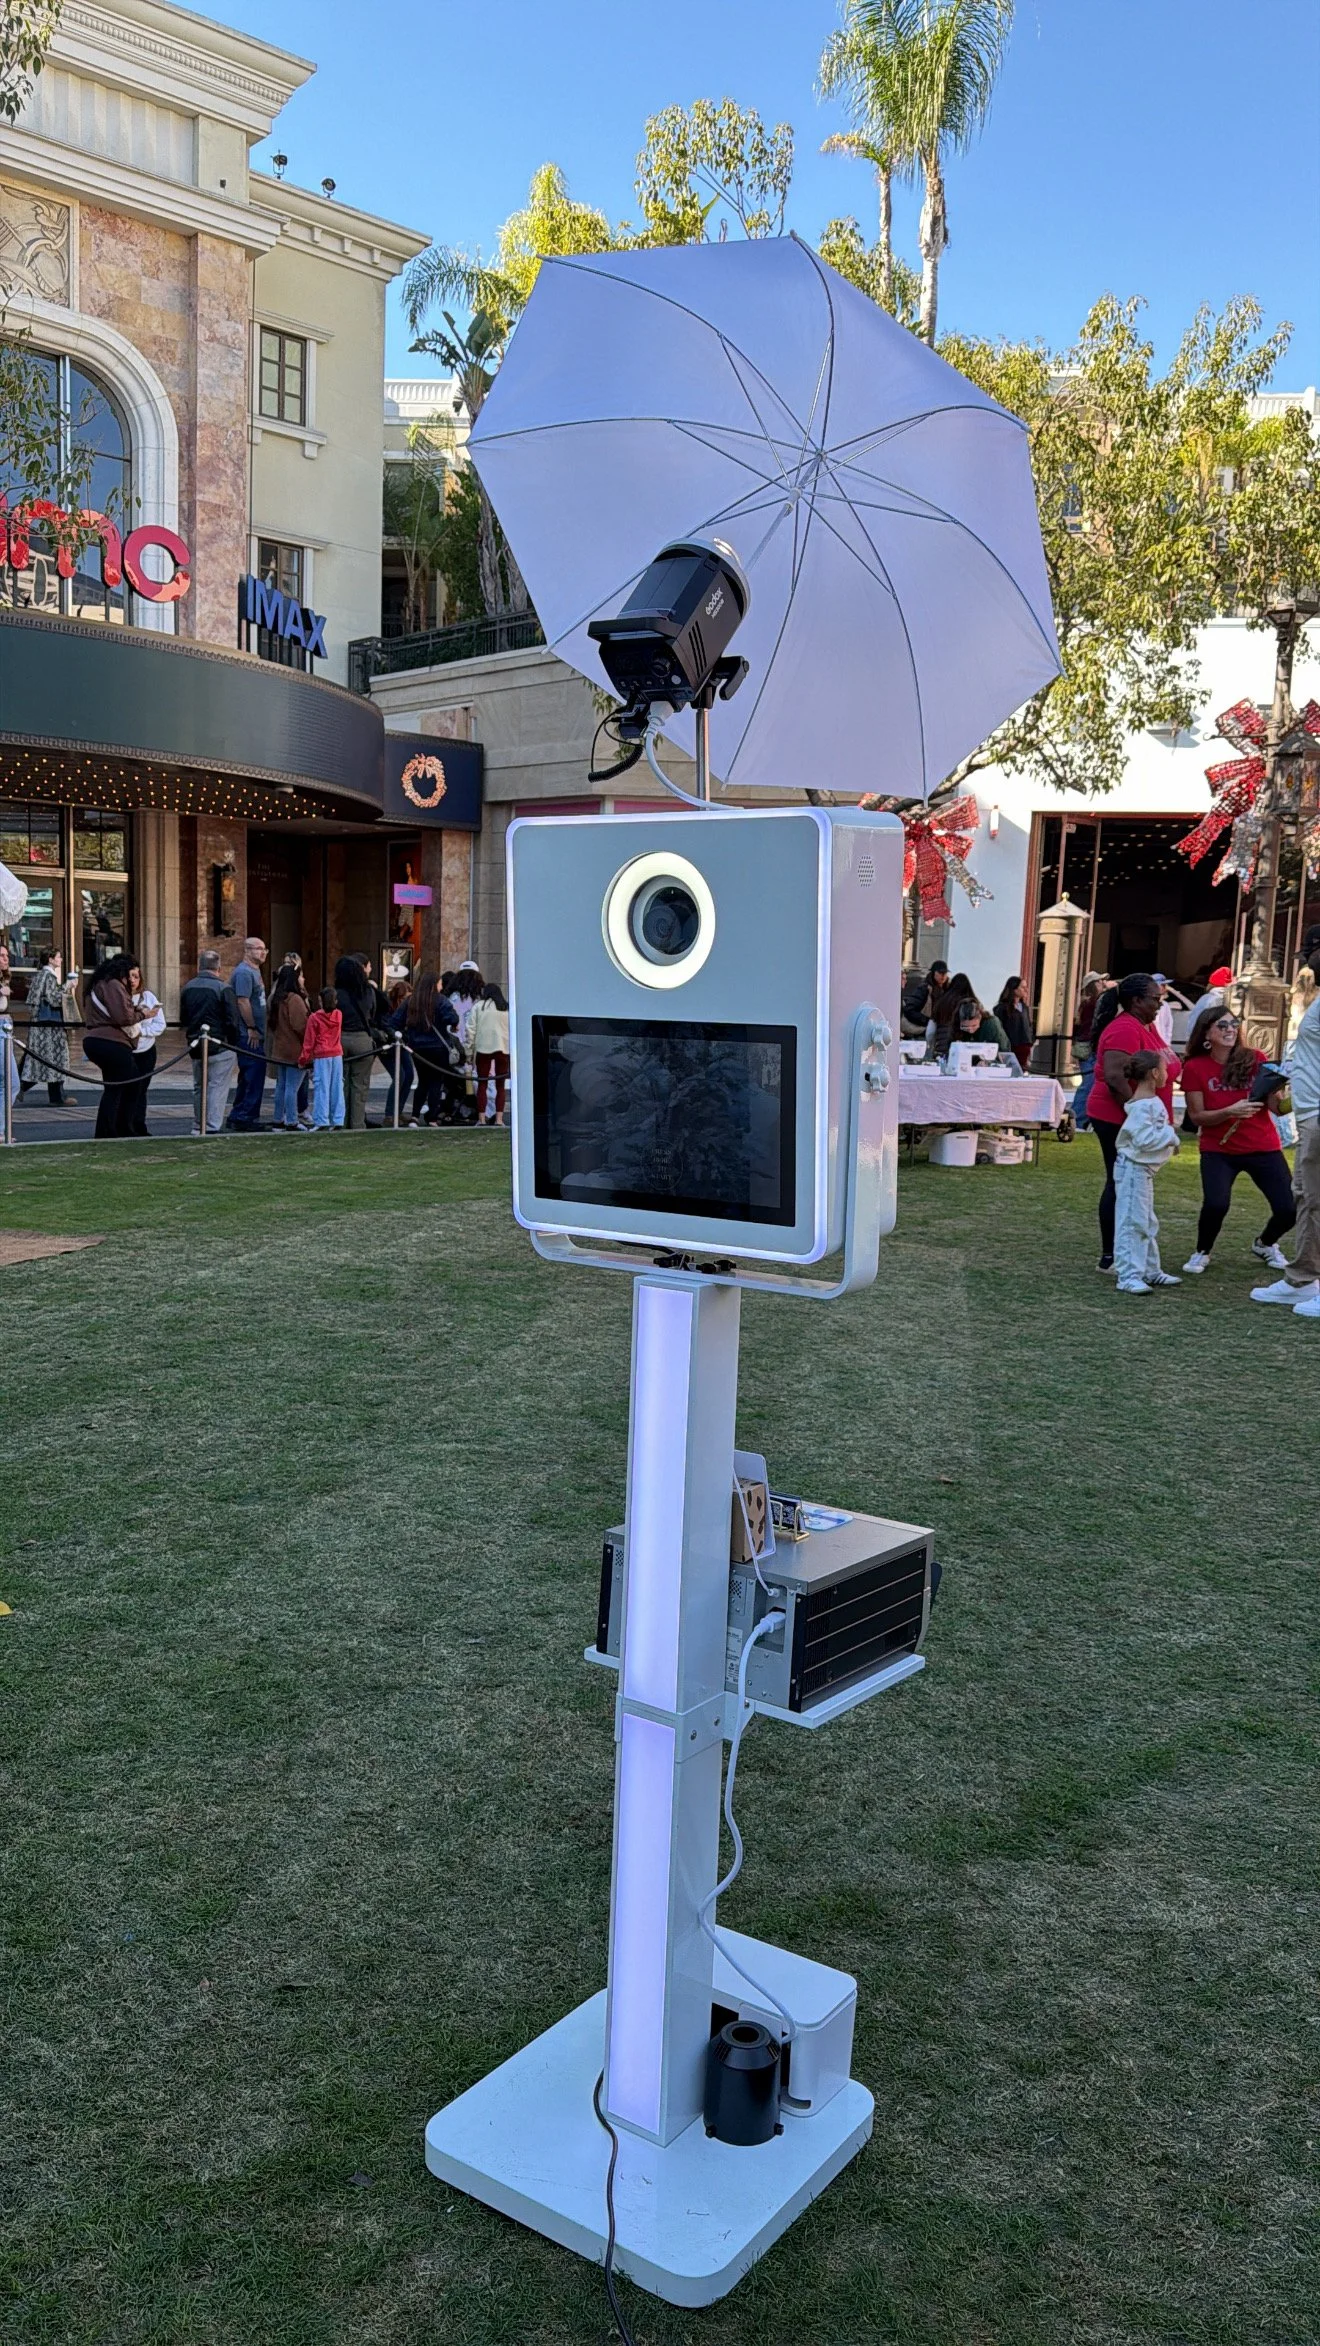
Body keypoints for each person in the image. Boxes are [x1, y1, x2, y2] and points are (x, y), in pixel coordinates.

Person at [1179, 1003, 1295, 1276]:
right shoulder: (1195, 1067)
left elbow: (1277, 1108)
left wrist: (1301, 1092)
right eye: (1222, 1025)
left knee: (1289, 1208)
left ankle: (1265, 1244)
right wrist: (1229, 1112)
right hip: (1218, 1149)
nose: (1230, 1029)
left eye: (1233, 1024)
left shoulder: (1255, 1058)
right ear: (1206, 1033)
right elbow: (1197, 1117)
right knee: (1216, 1204)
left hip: (1263, 1146)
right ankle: (1202, 1251)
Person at [1085, 973, 1179, 1272]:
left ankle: (1129, 1253)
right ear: (1136, 1000)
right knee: (1121, 1182)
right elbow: (1114, 1076)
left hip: (1133, 1117)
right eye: (1155, 998)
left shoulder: (1145, 1025)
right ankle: (1113, 1256)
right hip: (1117, 1118)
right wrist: (1138, 1113)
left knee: (1131, 1184)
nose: (1159, 1003)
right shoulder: (1125, 1029)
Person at [1252, 943, 1320, 1317]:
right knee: (1309, 1197)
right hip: (1311, 1114)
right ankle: (1302, 1279)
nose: (1306, 965)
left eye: (1311, 954)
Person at [1113, 1049, 1182, 1292]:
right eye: (1164, 1069)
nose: (1166, 1074)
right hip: (1134, 1170)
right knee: (1133, 1222)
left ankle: (1150, 1270)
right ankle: (1128, 1275)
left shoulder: (1149, 1103)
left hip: (1142, 1172)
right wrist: (1170, 1136)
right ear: (1154, 1073)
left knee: (1145, 1221)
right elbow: (1144, 1140)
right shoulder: (1143, 1107)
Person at [181, 950, 241, 1134]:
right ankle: (212, 1125)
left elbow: (184, 1018)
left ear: (200, 966)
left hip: (196, 1043)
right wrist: (234, 1042)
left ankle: (198, 1124)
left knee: (199, 1086)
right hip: (220, 1044)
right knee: (217, 1086)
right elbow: (232, 1020)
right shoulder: (224, 988)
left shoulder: (187, 987)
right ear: (219, 968)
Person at [82, 951, 141, 1138]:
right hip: (112, 1042)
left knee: (122, 1085)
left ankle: (113, 1128)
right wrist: (143, 1014)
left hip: (97, 1040)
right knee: (120, 1087)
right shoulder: (113, 985)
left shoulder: (97, 985)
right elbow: (124, 1017)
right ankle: (110, 1130)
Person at [18, 947, 79, 1105]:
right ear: (51, 959)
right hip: (50, 1026)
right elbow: (53, 998)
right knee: (55, 1058)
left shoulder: (40, 975)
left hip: (40, 1025)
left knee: (39, 1059)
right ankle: (55, 1096)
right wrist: (68, 986)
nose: (61, 960)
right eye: (58, 957)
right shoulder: (49, 976)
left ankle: (22, 1087)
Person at [406, 969, 462, 1125]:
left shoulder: (412, 1000)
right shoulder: (441, 1000)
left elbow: (396, 1020)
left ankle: (414, 1116)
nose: (442, 986)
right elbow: (451, 1017)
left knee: (422, 1081)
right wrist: (454, 1024)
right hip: (438, 1046)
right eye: (439, 983)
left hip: (417, 1047)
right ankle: (432, 1117)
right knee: (436, 1082)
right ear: (435, 984)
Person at [227, 937, 268, 1130]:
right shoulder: (244, 973)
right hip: (248, 1035)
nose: (263, 952)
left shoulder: (255, 971)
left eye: (264, 949)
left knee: (250, 1075)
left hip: (255, 1032)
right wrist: (251, 1027)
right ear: (247, 950)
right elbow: (242, 1001)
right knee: (253, 1074)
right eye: (259, 949)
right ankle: (246, 1116)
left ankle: (240, 1114)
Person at [334, 952, 378, 1131]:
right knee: (360, 1085)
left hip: (341, 1038)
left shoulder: (337, 993)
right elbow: (373, 1014)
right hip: (362, 1039)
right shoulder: (368, 992)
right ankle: (358, 1124)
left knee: (341, 1084)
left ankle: (341, 1122)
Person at [266, 959, 310, 1130]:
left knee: (281, 1086)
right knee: (292, 1087)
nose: (302, 980)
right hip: (294, 1050)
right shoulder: (294, 999)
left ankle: (278, 1118)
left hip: (280, 1049)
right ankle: (291, 1120)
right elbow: (301, 1026)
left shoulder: (276, 998)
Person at [125, 959, 165, 1136]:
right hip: (126, 1050)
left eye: (136, 976)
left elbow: (159, 1024)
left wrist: (141, 1030)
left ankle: (139, 1125)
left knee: (141, 1090)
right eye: (129, 976)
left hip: (146, 1050)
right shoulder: (119, 996)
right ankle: (124, 1125)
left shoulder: (148, 997)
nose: (133, 980)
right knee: (127, 1090)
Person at [300, 986, 345, 1129]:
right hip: (336, 1054)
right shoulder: (338, 1015)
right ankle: (338, 1119)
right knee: (337, 1087)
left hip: (322, 1055)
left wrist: (303, 1059)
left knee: (322, 1088)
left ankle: (321, 1120)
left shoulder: (314, 1018)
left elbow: (309, 1041)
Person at [1071, 970, 1108, 1130]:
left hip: (1086, 1046)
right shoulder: (1095, 1003)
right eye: (1100, 981)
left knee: (1089, 1083)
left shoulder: (1086, 1003)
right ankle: (1078, 1119)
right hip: (1090, 1047)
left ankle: (1080, 1118)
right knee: (1088, 1083)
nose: (1103, 983)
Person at [471, 980, 510, 1125]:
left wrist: (469, 1052)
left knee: (482, 1083)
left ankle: (482, 1118)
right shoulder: (505, 1008)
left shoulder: (479, 1007)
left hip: (483, 1048)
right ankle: (499, 1118)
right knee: (501, 1085)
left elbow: (471, 1030)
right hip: (503, 1048)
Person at [381, 979, 415, 1124]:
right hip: (390, 1045)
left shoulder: (407, 1010)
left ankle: (398, 1111)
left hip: (402, 1044)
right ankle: (390, 1114)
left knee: (409, 1075)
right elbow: (387, 1025)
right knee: (400, 1075)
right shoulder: (388, 1009)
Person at [947, 995, 1012, 1056]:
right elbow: (950, 1049)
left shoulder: (992, 1024)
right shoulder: (956, 1027)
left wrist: (988, 1062)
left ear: (980, 1017)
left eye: (974, 1025)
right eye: (965, 1027)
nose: (970, 1031)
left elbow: (1004, 1049)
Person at [994, 975, 1034, 1068]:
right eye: (1022, 987)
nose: (1026, 990)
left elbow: (1029, 1025)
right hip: (1010, 1047)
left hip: (1025, 1046)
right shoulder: (1002, 1008)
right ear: (1014, 989)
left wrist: (1031, 1039)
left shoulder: (1024, 1008)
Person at [927, 970, 974, 1050]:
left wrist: (931, 1046)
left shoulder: (941, 1002)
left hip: (941, 1048)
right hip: (960, 1048)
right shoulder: (968, 1004)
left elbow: (930, 1032)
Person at [902, 958, 948, 1034]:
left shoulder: (948, 989)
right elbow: (909, 1009)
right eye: (940, 973)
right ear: (934, 973)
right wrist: (927, 1021)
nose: (943, 976)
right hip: (923, 1031)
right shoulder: (924, 989)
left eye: (945, 973)